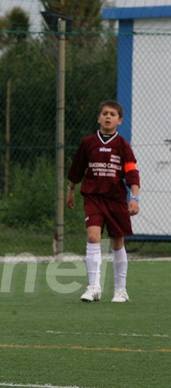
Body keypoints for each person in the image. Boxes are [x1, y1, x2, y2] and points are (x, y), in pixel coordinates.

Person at [66, 99, 140, 303]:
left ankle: (120, 290)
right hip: (93, 197)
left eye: (112, 114)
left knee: (117, 241)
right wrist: (70, 189)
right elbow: (77, 168)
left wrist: (134, 197)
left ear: (119, 120)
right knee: (93, 236)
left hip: (116, 200)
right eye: (105, 113)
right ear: (98, 118)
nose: (108, 117)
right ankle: (94, 287)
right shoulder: (88, 143)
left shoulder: (123, 146)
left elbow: (132, 173)